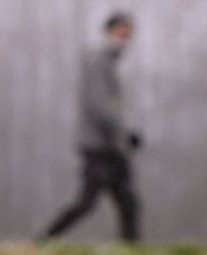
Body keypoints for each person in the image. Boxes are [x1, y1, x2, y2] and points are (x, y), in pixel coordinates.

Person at [42, 12, 142, 243]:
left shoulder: (108, 61)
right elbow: (100, 104)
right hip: (98, 145)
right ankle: (44, 240)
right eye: (122, 33)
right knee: (86, 203)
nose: (126, 39)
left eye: (129, 34)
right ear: (109, 31)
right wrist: (124, 132)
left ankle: (133, 250)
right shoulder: (98, 60)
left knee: (128, 202)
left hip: (110, 144)